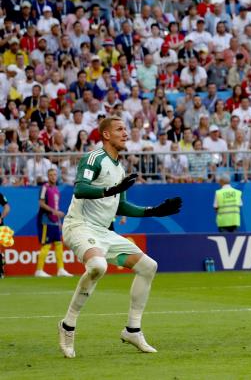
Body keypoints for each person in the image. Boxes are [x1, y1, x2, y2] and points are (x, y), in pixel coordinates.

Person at [58, 117, 183, 358]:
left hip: (103, 232)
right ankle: (68, 325)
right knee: (97, 265)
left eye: (126, 129)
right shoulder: (94, 158)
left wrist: (152, 211)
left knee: (148, 266)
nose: (125, 134)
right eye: (120, 129)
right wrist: (109, 190)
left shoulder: (119, 168)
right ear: (106, 135)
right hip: (79, 225)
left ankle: (133, 330)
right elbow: (80, 188)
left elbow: (120, 206)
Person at [35, 168, 72, 277]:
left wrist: (59, 222)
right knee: (46, 245)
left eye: (55, 174)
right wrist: (54, 212)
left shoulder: (56, 189)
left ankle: (61, 269)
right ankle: (39, 270)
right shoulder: (44, 188)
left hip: (55, 221)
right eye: (51, 175)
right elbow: (41, 203)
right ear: (48, 176)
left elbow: (55, 206)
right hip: (46, 219)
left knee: (59, 244)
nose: (53, 176)